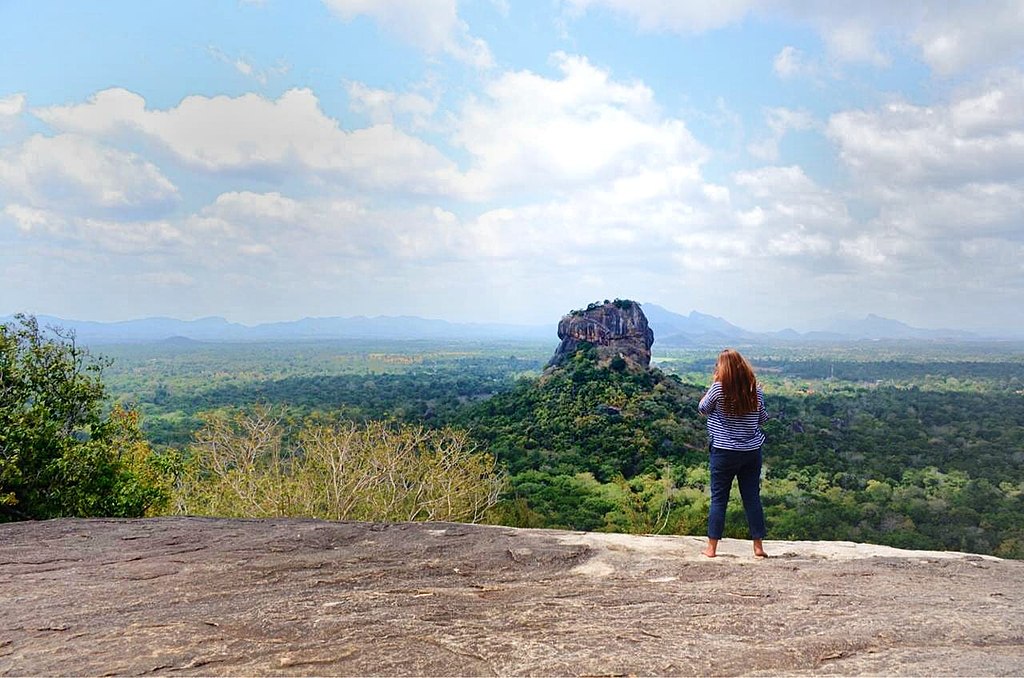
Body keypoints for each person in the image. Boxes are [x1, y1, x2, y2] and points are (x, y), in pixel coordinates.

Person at [697, 348, 769, 559]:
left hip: (723, 451)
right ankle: (758, 547)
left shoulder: (719, 388)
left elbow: (702, 408)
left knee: (719, 499)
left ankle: (711, 549)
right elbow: (763, 418)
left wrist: (714, 383)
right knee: (752, 498)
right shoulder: (754, 389)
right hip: (751, 451)